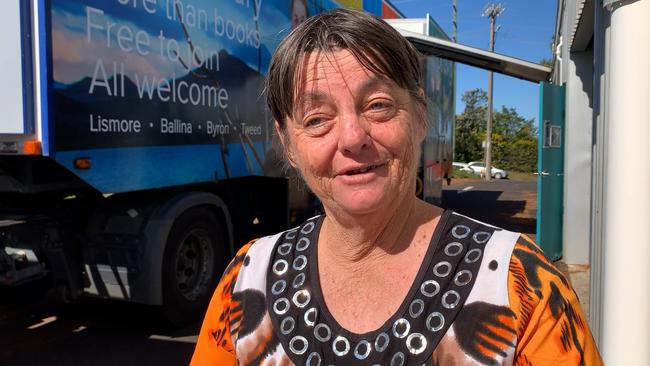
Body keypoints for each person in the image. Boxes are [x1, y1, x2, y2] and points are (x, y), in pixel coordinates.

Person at [191, 8, 602, 366]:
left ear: (420, 117)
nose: (352, 136)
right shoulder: (245, 282)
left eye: (378, 105)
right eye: (317, 118)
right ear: (288, 145)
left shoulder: (521, 283)